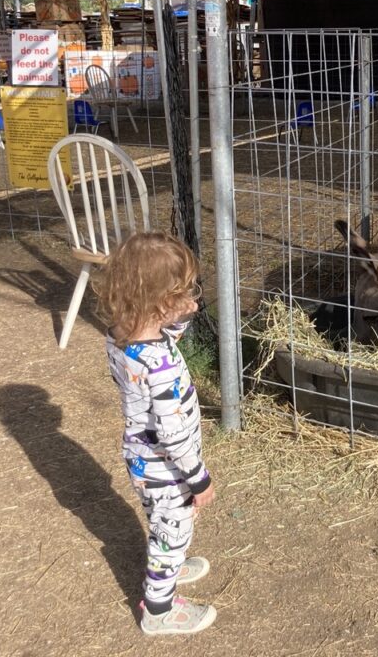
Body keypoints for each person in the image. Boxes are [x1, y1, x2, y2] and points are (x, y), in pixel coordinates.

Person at [96, 231, 217, 635]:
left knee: (161, 519)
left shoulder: (120, 339)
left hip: (138, 456)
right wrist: (198, 479)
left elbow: (162, 333)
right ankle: (159, 610)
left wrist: (178, 315)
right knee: (175, 526)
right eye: (184, 292)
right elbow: (174, 434)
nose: (193, 299)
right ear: (161, 302)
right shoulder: (161, 367)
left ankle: (171, 562)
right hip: (167, 465)